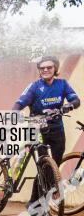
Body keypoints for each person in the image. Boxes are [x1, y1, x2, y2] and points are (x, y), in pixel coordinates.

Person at [13, 55, 80, 206]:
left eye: (49, 67)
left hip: (57, 130)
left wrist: (69, 105)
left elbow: (75, 100)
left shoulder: (62, 84)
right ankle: (34, 204)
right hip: (37, 130)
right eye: (42, 68)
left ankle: (38, 203)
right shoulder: (34, 87)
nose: (45, 70)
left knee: (52, 167)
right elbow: (19, 103)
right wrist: (14, 113)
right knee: (44, 165)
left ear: (55, 69)